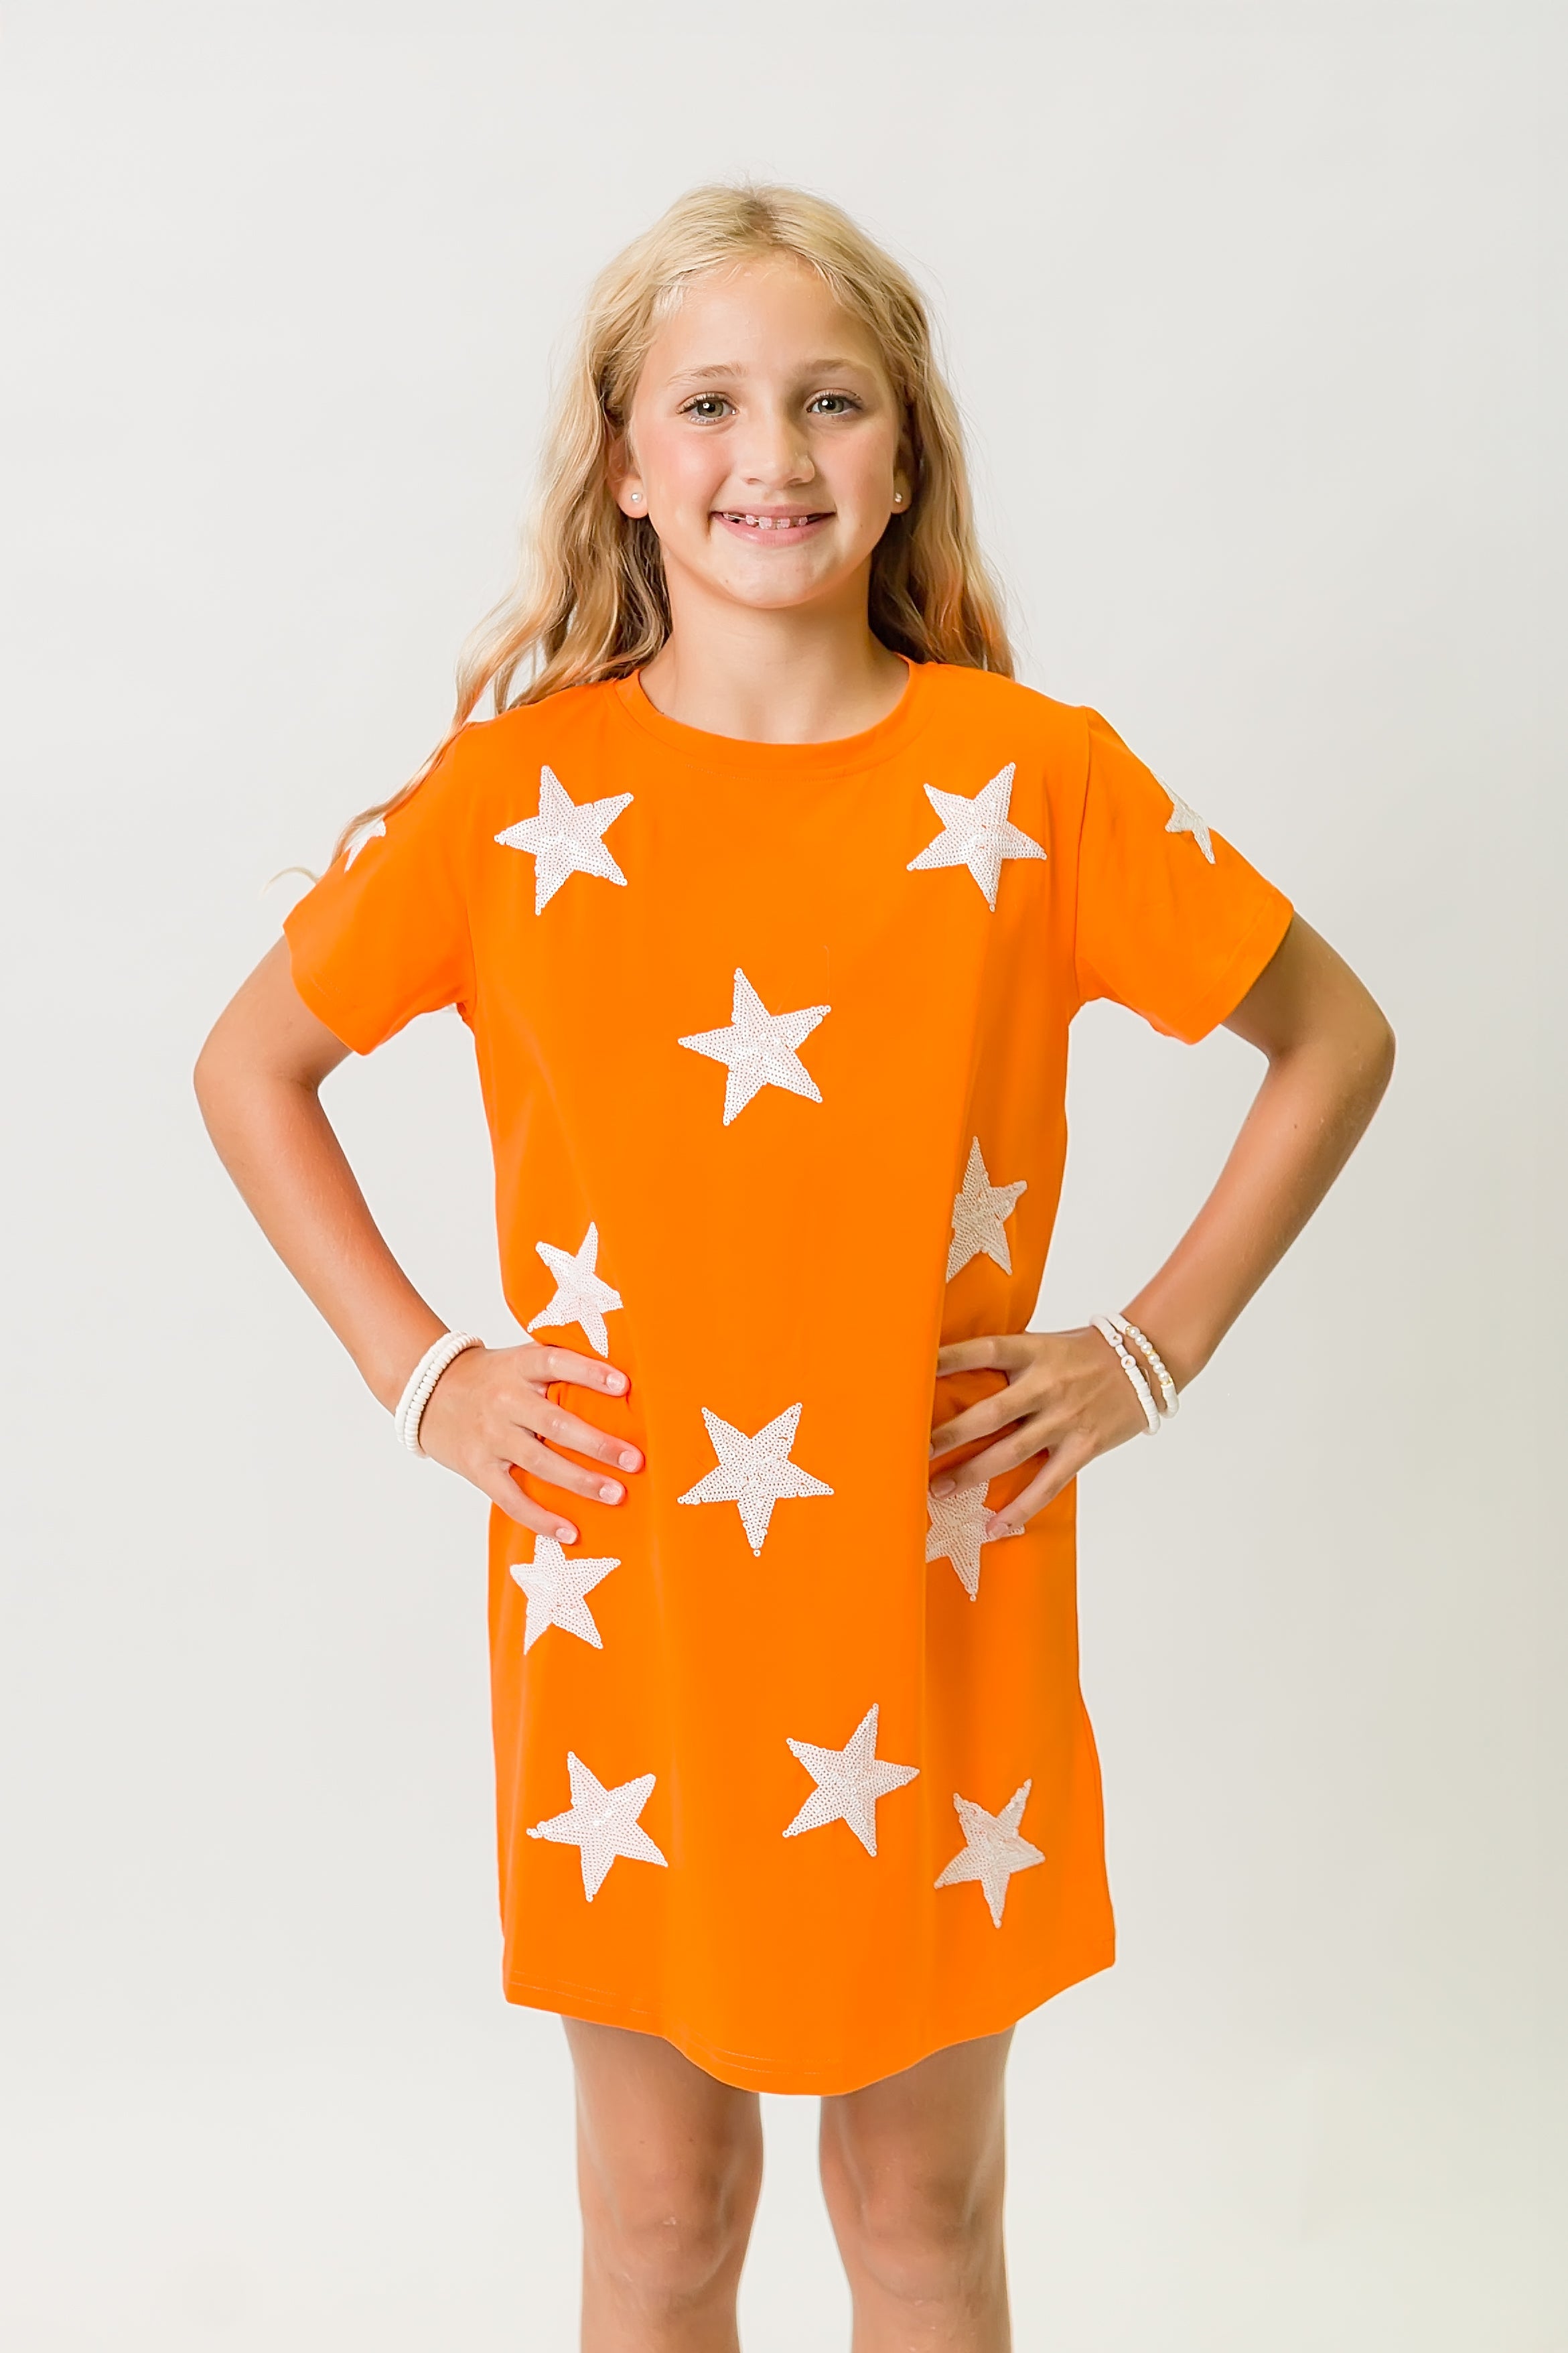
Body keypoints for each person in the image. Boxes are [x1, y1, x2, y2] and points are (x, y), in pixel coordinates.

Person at [195, 183, 1394, 2353]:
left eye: (833, 402)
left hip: (932, 1576)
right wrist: (427, 1376)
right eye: (712, 405)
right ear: (625, 464)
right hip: (631, 1581)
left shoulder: (1032, 781)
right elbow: (251, 1066)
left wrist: (1152, 1345)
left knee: (919, 2209)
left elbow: (1333, 1036)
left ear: (907, 451)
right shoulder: (511, 801)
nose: (775, 454)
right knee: (661, 2214)